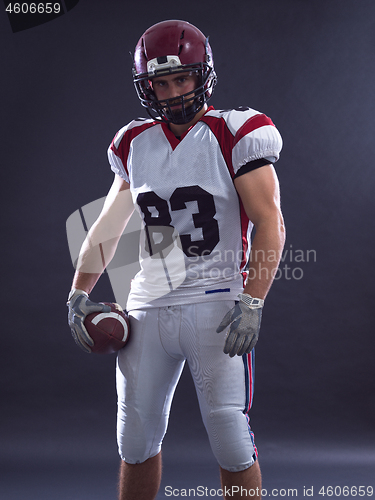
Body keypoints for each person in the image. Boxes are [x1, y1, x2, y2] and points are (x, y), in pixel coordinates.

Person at [67, 19, 285, 500]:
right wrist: (79, 291)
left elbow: (270, 223)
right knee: (135, 440)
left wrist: (254, 301)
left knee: (231, 440)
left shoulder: (236, 132)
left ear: (201, 75)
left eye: (180, 79)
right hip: (148, 303)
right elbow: (109, 224)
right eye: (159, 83)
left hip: (217, 304)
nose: (171, 93)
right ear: (146, 87)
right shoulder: (133, 142)